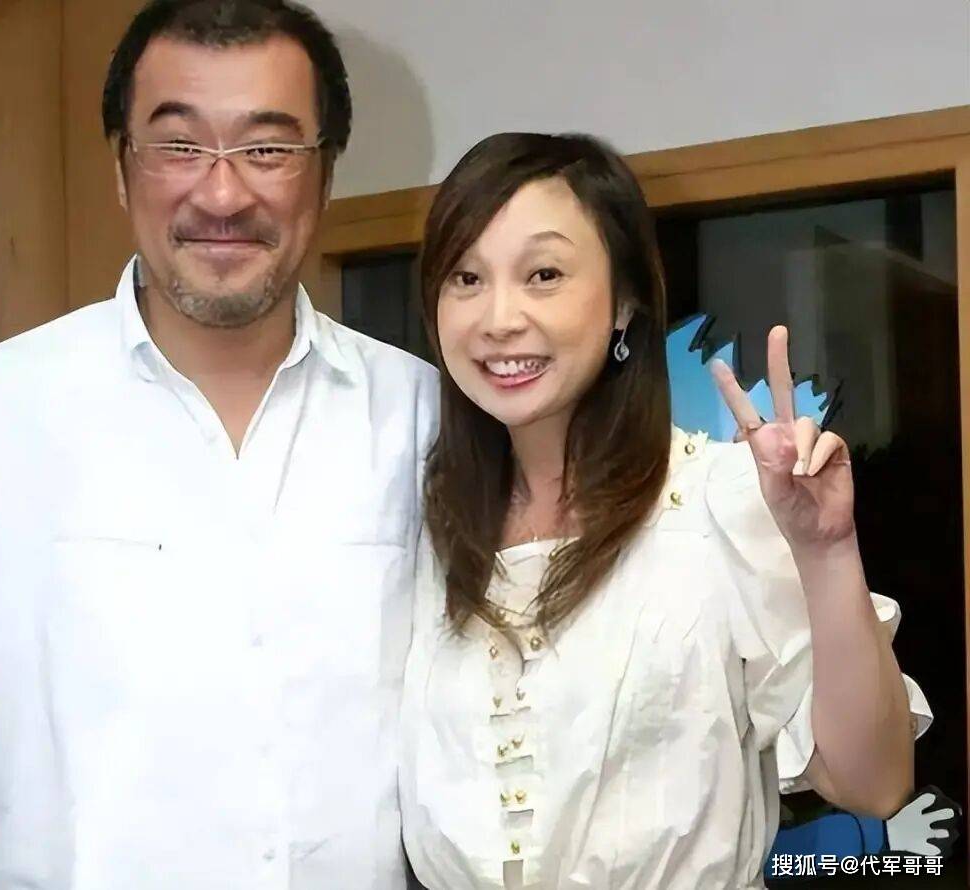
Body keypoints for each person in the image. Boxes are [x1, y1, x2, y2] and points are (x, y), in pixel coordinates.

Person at [0, 1, 436, 887]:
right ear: (121, 169)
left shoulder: (420, 417)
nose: (222, 195)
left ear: (325, 175)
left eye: (267, 148)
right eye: (178, 145)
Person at [399, 132, 931, 889]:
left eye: (544, 274)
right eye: (466, 277)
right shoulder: (422, 525)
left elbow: (872, 784)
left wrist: (827, 550)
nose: (498, 317)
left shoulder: (719, 499)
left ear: (625, 303)